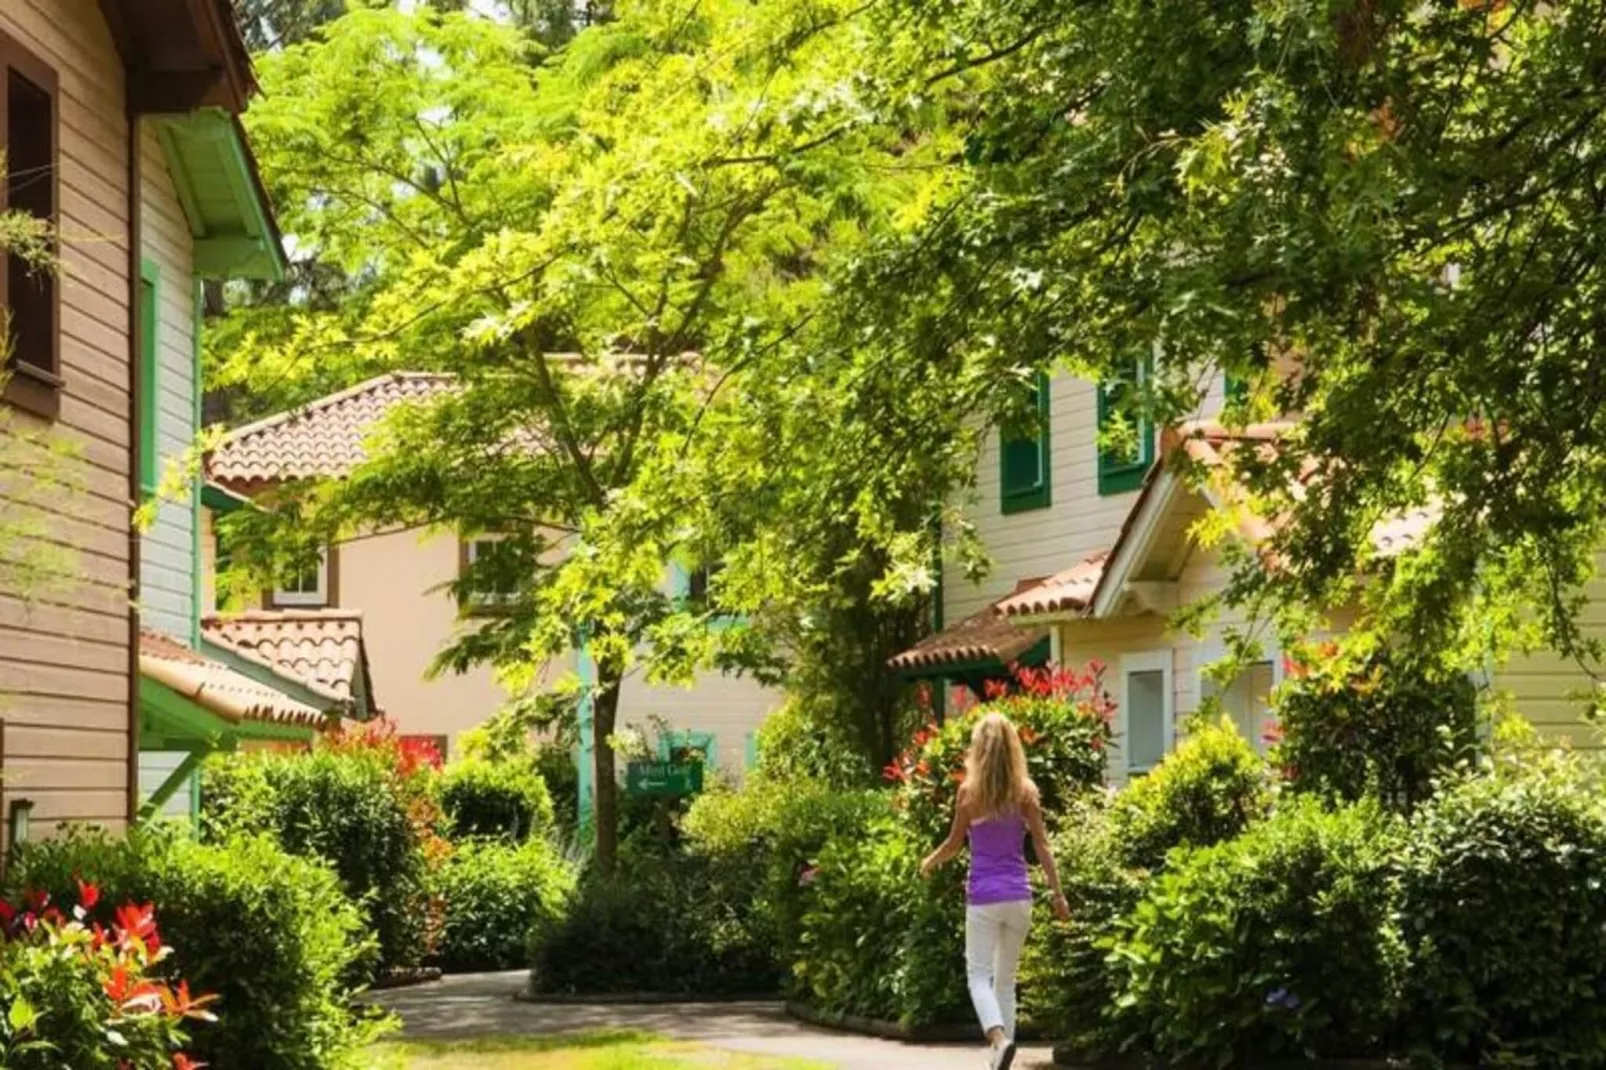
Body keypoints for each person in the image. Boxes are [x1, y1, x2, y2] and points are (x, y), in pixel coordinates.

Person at [920, 712, 1070, 1070]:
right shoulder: (1026, 792)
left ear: (979, 750)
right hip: (1019, 897)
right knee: (1005, 982)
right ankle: (1002, 1059)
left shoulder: (969, 794)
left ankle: (999, 1040)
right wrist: (1058, 894)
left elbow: (955, 844)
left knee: (977, 976)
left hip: (984, 899)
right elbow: (1043, 846)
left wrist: (929, 862)